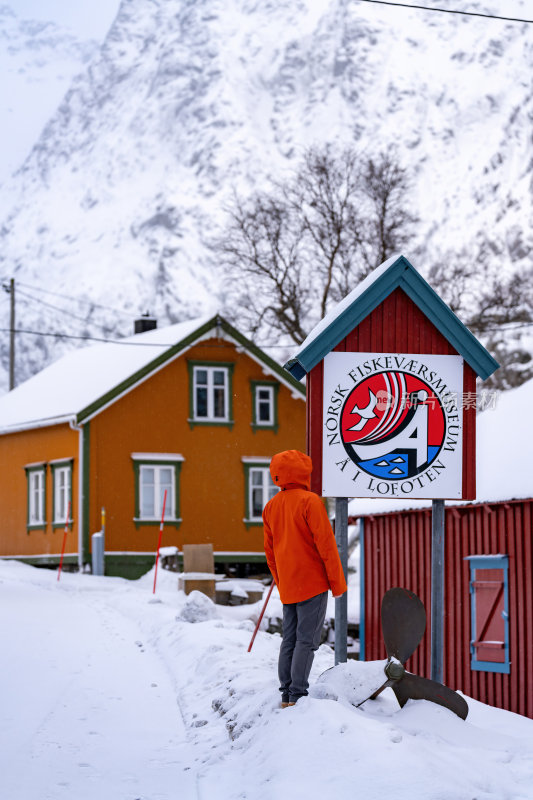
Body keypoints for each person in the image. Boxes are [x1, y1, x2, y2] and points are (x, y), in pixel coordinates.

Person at [263, 449, 347, 708]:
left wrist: (281, 581)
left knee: (289, 638)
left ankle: (287, 693)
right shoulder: (310, 502)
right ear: (304, 472)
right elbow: (327, 546)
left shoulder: (271, 507)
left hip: (289, 584)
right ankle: (298, 694)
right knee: (306, 641)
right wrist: (337, 584)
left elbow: (270, 552)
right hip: (312, 583)